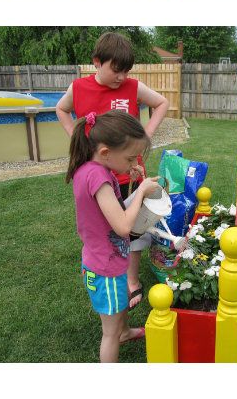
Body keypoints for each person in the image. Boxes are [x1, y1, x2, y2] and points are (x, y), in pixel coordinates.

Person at [55, 32, 169, 308]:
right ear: (97, 62)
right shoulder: (79, 88)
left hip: (128, 172)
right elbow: (61, 109)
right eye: (116, 70)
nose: (121, 77)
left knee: (133, 226)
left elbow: (162, 103)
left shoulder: (132, 86)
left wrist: (145, 137)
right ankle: (99, 264)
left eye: (126, 71)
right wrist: (76, 137)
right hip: (99, 178)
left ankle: (131, 279)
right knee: (103, 225)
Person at [66, 109, 161, 362]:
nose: (134, 164)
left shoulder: (91, 169)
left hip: (103, 258)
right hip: (105, 268)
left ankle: (126, 331)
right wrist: (140, 191)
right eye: (130, 159)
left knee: (120, 304)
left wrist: (130, 181)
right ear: (106, 152)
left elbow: (109, 210)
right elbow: (122, 226)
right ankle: (117, 338)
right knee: (109, 333)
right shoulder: (98, 176)